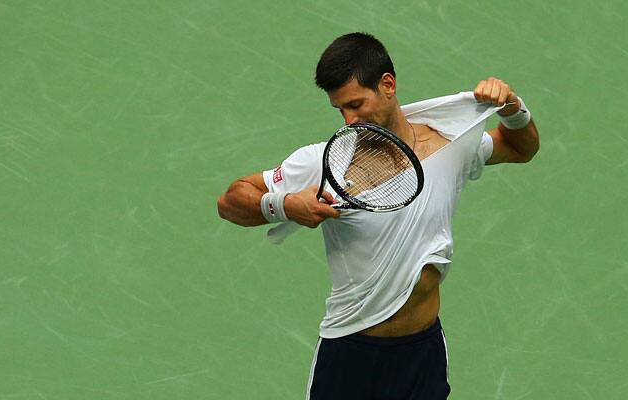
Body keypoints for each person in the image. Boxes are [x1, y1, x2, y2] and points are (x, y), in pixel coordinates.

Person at [217, 32, 539, 400]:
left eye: (355, 104)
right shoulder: (326, 161)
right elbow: (231, 201)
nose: (349, 120)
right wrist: (286, 205)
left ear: (387, 84)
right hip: (351, 352)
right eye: (340, 110)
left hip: (421, 352)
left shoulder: (451, 143)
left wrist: (513, 106)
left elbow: (519, 147)